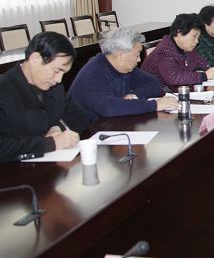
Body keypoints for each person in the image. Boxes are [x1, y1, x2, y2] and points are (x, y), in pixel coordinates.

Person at [0, 32, 90, 162]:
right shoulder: (4, 91)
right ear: (35, 59)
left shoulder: (54, 87)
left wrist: (59, 128)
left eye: (63, 73)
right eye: (57, 71)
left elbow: (80, 114)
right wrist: (50, 143)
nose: (59, 79)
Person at [69, 28, 179, 122]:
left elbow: (153, 84)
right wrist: (154, 105)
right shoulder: (94, 73)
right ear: (120, 55)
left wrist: (133, 96)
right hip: (87, 132)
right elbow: (108, 107)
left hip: (112, 123)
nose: (139, 59)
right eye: (136, 55)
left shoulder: (126, 68)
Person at [142, 13, 214, 88]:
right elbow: (173, 78)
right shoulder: (164, 51)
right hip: (157, 92)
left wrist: (199, 70)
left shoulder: (186, 47)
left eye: (198, 37)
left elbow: (202, 63)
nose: (196, 41)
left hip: (178, 90)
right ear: (179, 33)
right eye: (194, 36)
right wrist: (204, 76)